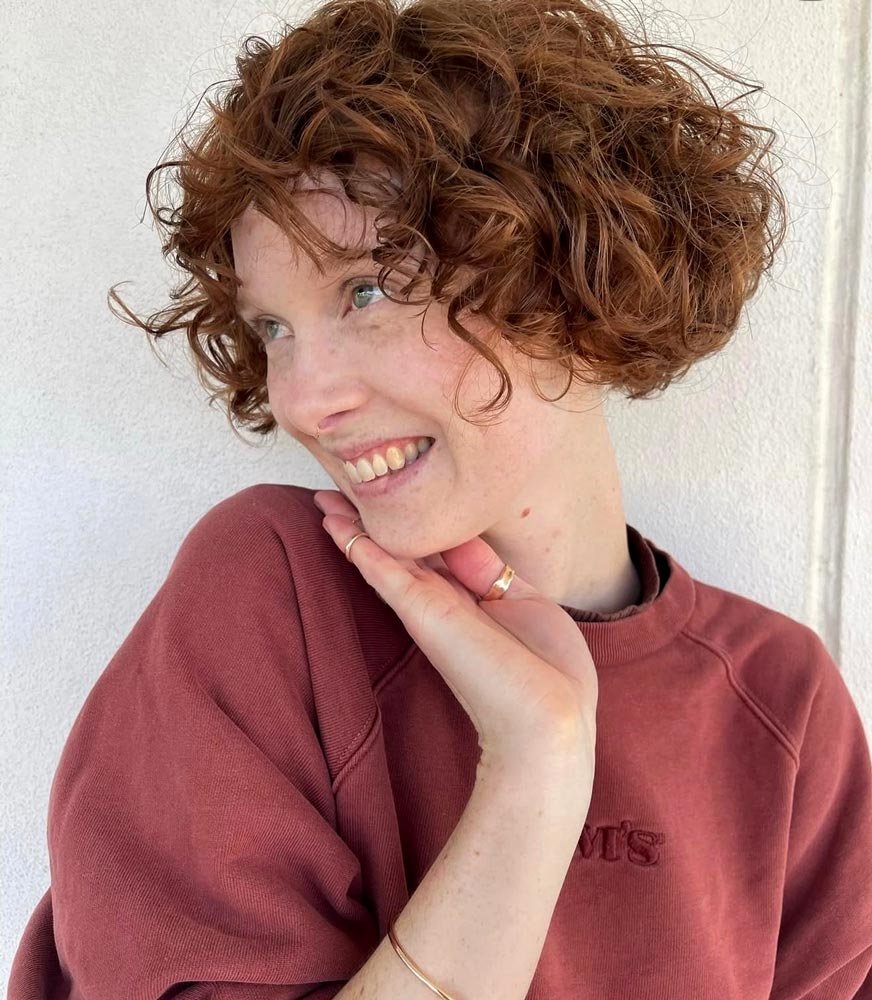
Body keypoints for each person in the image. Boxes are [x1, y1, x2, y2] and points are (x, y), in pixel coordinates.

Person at [9, 0, 872, 996]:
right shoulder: (272, 597)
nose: (300, 397)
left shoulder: (779, 703)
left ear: (571, 281)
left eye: (365, 291)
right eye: (273, 327)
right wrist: (530, 774)